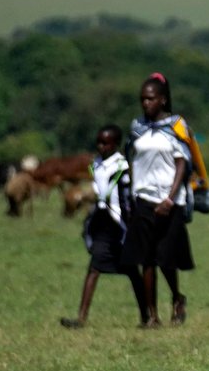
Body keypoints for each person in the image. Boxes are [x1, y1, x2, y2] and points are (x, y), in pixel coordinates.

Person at [122, 73, 205, 327]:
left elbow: (183, 163)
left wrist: (170, 198)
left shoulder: (176, 126)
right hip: (144, 198)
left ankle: (177, 298)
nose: (145, 104)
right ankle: (152, 317)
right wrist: (132, 193)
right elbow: (131, 160)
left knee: (165, 258)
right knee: (146, 259)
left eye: (150, 99)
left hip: (171, 201)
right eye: (142, 99)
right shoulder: (137, 128)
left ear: (163, 100)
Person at [61, 125, 148, 328]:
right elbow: (96, 187)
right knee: (94, 268)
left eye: (105, 142)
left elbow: (128, 195)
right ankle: (81, 318)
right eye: (98, 142)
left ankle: (146, 316)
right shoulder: (96, 164)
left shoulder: (122, 166)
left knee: (133, 272)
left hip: (119, 224)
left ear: (115, 144)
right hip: (102, 221)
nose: (100, 146)